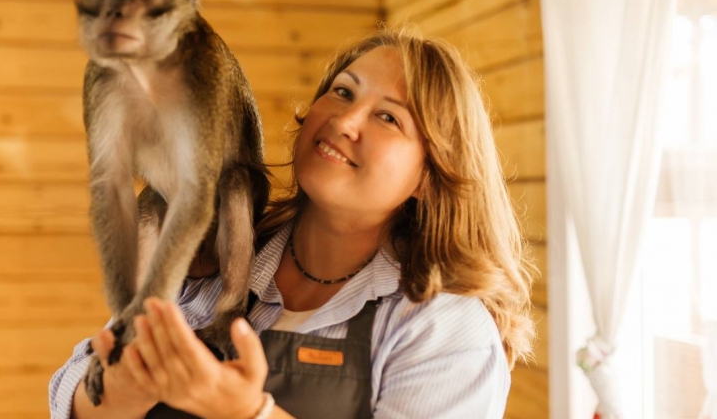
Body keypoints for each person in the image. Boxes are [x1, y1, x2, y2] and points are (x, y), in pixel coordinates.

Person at [49, 29, 536, 419]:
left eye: (388, 118)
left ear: (429, 178)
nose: (346, 120)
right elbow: (67, 393)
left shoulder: (441, 327)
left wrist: (248, 413)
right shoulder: (202, 255)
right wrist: (120, 391)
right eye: (343, 91)